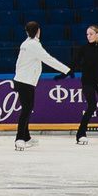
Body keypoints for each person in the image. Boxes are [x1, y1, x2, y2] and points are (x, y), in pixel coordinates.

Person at [11, 20, 69, 150]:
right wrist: (66, 69)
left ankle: (26, 137)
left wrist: (17, 77)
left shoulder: (25, 44)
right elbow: (48, 59)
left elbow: (18, 64)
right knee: (26, 110)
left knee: (27, 108)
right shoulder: (33, 45)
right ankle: (19, 138)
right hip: (24, 81)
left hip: (23, 80)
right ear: (38, 31)